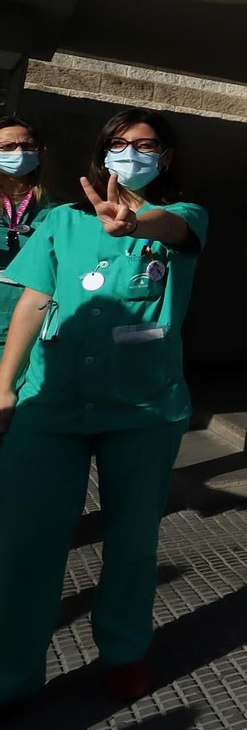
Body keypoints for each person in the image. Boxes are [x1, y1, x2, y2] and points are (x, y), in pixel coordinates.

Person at [0, 108, 207, 704]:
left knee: (131, 541)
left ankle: (123, 649)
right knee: (27, 541)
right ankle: (12, 673)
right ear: (102, 151)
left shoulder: (185, 216)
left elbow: (172, 230)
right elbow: (34, 302)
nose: (132, 152)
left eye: (145, 144)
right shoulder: (62, 221)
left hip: (143, 409)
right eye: (119, 143)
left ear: (164, 156)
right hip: (50, 402)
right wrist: (5, 386)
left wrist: (135, 223)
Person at [1, 117, 48, 366]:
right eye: (7, 147)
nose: (18, 153)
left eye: (28, 146)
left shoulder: (57, 211)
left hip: (28, 329)